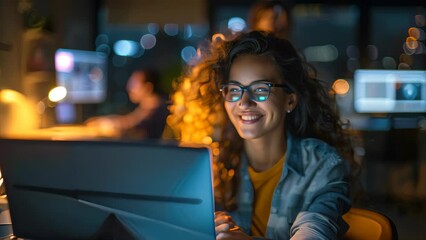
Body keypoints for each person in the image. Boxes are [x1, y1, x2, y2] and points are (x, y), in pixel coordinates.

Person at [169, 31, 357, 239]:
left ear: (290, 101)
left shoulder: (323, 165)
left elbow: (312, 234)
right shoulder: (213, 163)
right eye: (233, 90)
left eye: (260, 89)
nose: (244, 102)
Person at [86, 69, 169, 139]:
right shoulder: (151, 106)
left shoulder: (153, 108)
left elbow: (132, 126)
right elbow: (131, 120)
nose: (129, 88)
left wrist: (104, 123)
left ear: (148, 88)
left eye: (134, 84)